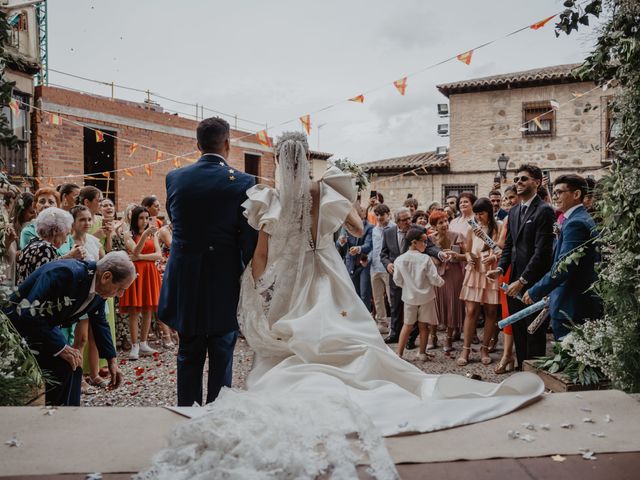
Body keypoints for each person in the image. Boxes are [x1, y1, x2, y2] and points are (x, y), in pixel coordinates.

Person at [146, 132, 545, 478]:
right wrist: (335, 221)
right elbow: (359, 227)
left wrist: (256, 289)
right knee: (347, 333)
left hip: (291, 279)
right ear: (307, 159)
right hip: (328, 271)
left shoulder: (268, 197)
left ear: (279, 162)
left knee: (289, 341)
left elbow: (261, 256)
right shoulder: (326, 190)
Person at [158, 117, 258, 406]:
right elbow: (247, 239)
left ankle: (187, 411)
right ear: (227, 143)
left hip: (185, 279)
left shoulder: (174, 178)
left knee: (188, 351)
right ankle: (216, 414)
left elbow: (176, 221)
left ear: (198, 144)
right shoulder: (243, 182)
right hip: (223, 279)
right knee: (221, 351)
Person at [3, 252, 134, 405]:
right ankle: (56, 416)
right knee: (65, 365)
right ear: (106, 277)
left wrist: (112, 360)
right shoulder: (66, 274)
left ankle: (69, 414)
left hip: (41, 328)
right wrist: (61, 347)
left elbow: (99, 321)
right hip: (15, 330)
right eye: (121, 289)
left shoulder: (98, 287)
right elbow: (29, 312)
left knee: (73, 365)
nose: (121, 295)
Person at [487, 164, 555, 369]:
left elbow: (542, 252)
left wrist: (523, 280)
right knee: (517, 327)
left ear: (537, 182)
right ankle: (521, 370)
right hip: (513, 280)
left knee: (533, 330)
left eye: (523, 179)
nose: (518, 183)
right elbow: (509, 245)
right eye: (516, 180)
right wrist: (501, 269)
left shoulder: (545, 211)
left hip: (533, 281)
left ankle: (535, 376)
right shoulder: (514, 211)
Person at [523, 174, 602, 339]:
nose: (555, 196)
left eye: (560, 192)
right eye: (554, 191)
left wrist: (536, 290)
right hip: (569, 299)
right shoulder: (574, 219)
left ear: (576, 194)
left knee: (569, 356)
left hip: (571, 305)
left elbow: (564, 266)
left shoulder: (576, 223)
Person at [380, 208, 445, 344]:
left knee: (416, 306)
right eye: (405, 220)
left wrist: (439, 254)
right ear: (397, 221)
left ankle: (411, 338)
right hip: (396, 275)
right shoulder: (388, 232)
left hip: (415, 278)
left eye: (410, 218)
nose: (409, 222)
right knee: (395, 306)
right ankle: (395, 334)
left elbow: (430, 246)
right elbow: (383, 254)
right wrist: (387, 264)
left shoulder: (417, 229)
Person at [457, 198, 501, 366]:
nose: (478, 217)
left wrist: (494, 256)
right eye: (476, 214)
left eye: (481, 213)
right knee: (471, 311)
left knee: (491, 312)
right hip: (475, 270)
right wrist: (469, 258)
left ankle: (484, 348)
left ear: (489, 212)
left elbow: (502, 248)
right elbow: (467, 251)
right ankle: (466, 349)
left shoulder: (499, 226)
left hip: (490, 270)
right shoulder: (471, 228)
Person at [393, 227, 444, 360]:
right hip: (426, 297)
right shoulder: (425, 259)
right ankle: (421, 353)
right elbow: (434, 278)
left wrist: (407, 285)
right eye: (424, 241)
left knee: (407, 325)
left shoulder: (399, 259)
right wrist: (442, 282)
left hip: (409, 297)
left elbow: (397, 280)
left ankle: (399, 353)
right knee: (423, 325)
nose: (426, 245)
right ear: (414, 242)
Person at [120, 206, 162, 359]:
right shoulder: (127, 233)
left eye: (147, 218)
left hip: (150, 273)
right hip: (136, 274)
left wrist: (140, 257)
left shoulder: (154, 234)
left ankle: (144, 343)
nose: (144, 221)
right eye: (141, 218)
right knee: (134, 311)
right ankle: (134, 345)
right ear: (134, 219)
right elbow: (135, 251)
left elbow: (158, 255)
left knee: (147, 309)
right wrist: (144, 236)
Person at [428, 210, 466, 352]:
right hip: (435, 274)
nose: (444, 224)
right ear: (433, 226)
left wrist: (455, 255)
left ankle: (448, 338)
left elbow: (464, 255)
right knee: (434, 305)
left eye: (446, 221)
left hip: (453, 273)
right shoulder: (429, 239)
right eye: (440, 222)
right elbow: (427, 258)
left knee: (451, 305)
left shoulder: (456, 236)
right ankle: (433, 336)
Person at [15, 207, 73, 285]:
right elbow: (46, 285)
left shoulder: (33, 243)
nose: (66, 241)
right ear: (55, 230)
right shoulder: (45, 249)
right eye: (67, 234)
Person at [495, 185, 518, 374]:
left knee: (518, 311)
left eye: (512, 197)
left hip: (519, 268)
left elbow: (502, 244)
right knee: (507, 313)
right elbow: (502, 244)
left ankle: (512, 354)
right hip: (507, 267)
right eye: (506, 198)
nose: (509, 201)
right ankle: (507, 353)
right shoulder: (509, 218)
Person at [337, 205, 373, 311]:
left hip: (363, 263)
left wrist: (358, 248)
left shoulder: (369, 227)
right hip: (350, 263)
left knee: (364, 293)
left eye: (361, 211)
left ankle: (365, 317)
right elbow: (338, 244)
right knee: (353, 293)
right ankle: (355, 316)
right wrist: (341, 242)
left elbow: (368, 245)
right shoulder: (345, 227)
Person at [370, 203, 392, 333]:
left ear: (388, 214)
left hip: (388, 267)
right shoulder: (374, 229)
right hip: (374, 267)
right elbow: (373, 248)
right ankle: (382, 324)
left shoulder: (393, 228)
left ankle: (394, 324)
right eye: (377, 215)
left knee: (391, 298)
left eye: (382, 215)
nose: (379, 217)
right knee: (377, 298)